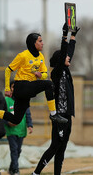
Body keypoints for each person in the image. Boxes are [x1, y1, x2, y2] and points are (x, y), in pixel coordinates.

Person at [0, 33, 68, 125]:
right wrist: (7, 88)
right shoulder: (23, 56)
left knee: (16, 119)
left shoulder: (41, 57)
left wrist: (40, 75)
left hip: (26, 90)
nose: (42, 43)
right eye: (40, 41)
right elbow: (8, 70)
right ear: (33, 43)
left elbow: (44, 74)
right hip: (21, 86)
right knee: (49, 84)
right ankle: (53, 114)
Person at [32, 23, 80, 175]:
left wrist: (73, 37)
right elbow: (65, 52)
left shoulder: (66, 69)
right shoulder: (57, 73)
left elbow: (69, 52)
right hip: (59, 116)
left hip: (67, 115)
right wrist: (64, 34)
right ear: (60, 60)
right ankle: (36, 173)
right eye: (65, 57)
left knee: (63, 147)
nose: (69, 58)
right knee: (55, 146)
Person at [5, 80, 33, 175]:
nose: (14, 89)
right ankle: (16, 170)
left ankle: (12, 168)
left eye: (15, 87)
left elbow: (27, 113)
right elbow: (2, 114)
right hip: (11, 131)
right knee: (14, 150)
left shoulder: (23, 100)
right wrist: (8, 122)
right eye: (12, 87)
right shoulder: (7, 100)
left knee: (18, 150)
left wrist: (29, 125)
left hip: (21, 130)